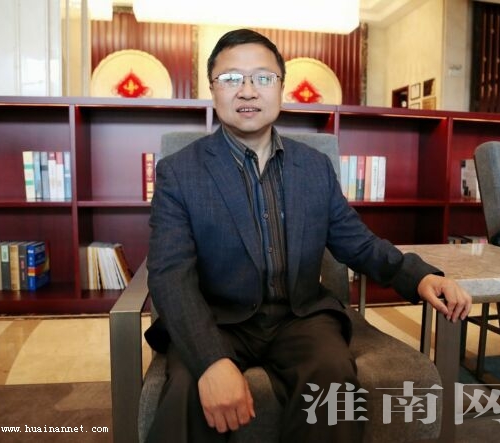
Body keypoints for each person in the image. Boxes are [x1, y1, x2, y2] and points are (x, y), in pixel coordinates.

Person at [145, 28, 472, 442]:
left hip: (299, 317)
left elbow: (357, 242)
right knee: (187, 392)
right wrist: (211, 361)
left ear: (281, 88)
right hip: (216, 318)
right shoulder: (179, 172)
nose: (247, 90)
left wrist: (419, 276)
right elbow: (170, 273)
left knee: (333, 382)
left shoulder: (314, 167)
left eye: (263, 77)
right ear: (212, 89)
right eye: (231, 78)